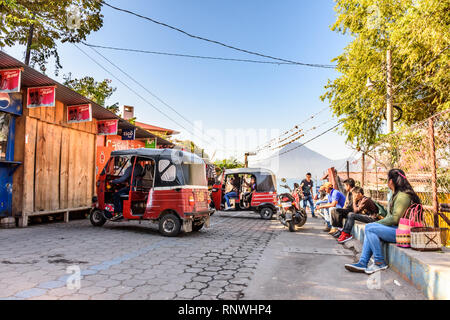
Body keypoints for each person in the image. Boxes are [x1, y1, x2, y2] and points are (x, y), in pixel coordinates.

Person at [345, 169, 421, 274]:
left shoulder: (403, 196)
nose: (387, 182)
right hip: (397, 230)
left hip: (404, 233)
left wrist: (376, 223)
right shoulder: (397, 194)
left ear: (391, 181)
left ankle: (379, 262)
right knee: (370, 228)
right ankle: (362, 263)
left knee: (370, 228)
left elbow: (395, 218)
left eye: (387, 179)